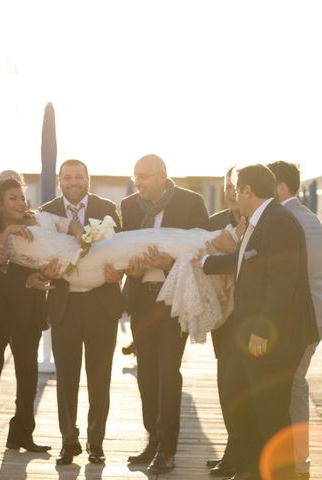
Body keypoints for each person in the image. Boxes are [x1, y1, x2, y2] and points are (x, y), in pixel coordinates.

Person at [201, 164, 319, 480]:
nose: (234, 195)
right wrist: (204, 262)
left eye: (237, 189)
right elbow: (247, 263)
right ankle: (252, 467)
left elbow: (282, 282)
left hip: (274, 336)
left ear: (248, 191)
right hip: (252, 332)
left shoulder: (278, 222)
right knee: (242, 395)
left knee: (270, 411)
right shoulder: (258, 221)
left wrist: (261, 330)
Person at [122, 154, 209, 474]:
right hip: (141, 300)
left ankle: (168, 448)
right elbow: (123, 246)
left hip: (175, 300)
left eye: (144, 176)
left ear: (162, 176)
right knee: (145, 372)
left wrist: (168, 264)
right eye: (135, 176)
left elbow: (203, 250)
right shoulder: (129, 206)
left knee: (167, 372)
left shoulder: (190, 203)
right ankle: (153, 438)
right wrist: (130, 266)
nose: (139, 182)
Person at [40, 159, 124, 465]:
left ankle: (96, 442)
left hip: (102, 304)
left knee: (99, 377)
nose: (73, 182)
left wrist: (119, 274)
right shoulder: (46, 211)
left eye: (79, 176)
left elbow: (119, 250)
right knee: (66, 378)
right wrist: (45, 272)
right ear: (60, 180)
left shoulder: (107, 208)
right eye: (68, 177)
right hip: (65, 305)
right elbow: (41, 252)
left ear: (88, 179)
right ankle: (68, 440)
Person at [0, 177, 58, 454]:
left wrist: (40, 275)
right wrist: (26, 277)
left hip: (28, 310)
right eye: (13, 198)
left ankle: (22, 435)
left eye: (22, 198)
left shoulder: (34, 227)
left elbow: (43, 260)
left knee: (28, 375)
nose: (19, 203)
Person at [267, 161, 322, 479]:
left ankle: (297, 463)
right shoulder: (305, 217)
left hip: (302, 318)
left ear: (280, 188)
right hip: (308, 315)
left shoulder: (289, 219)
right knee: (289, 385)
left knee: (293, 386)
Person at [205, 166, 242, 478]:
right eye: (227, 185)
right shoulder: (214, 222)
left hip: (254, 316)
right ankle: (233, 448)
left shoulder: (262, 222)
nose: (232, 191)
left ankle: (240, 453)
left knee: (246, 386)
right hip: (223, 317)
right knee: (226, 385)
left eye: (237, 185)